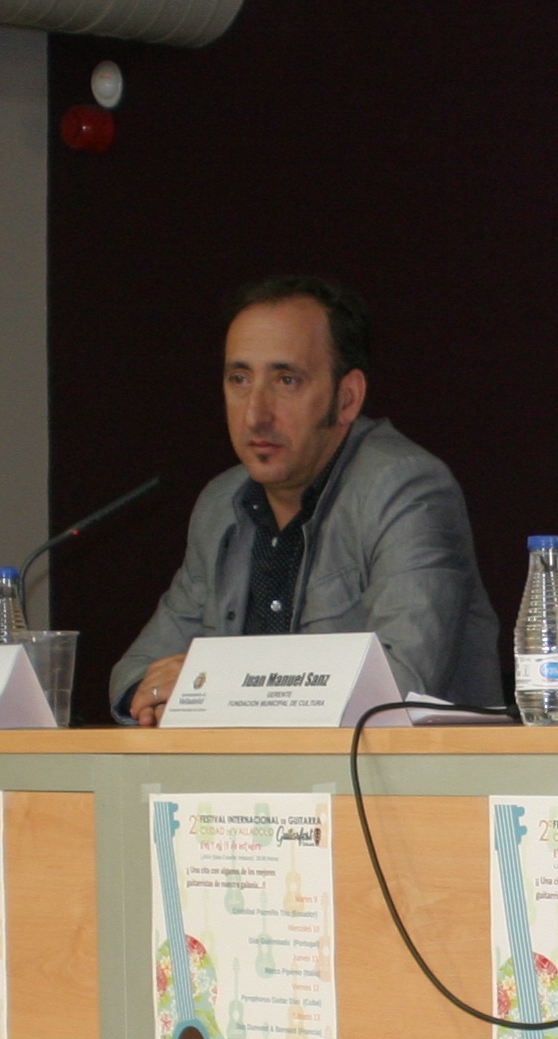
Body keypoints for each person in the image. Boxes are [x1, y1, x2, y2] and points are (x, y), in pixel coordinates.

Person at [111, 276, 501, 723]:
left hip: (398, 769)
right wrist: (156, 696)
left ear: (347, 398)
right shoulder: (222, 502)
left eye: (287, 380)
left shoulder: (404, 489)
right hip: (257, 769)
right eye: (239, 379)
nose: (255, 414)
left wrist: (215, 684)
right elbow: (132, 673)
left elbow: (400, 688)